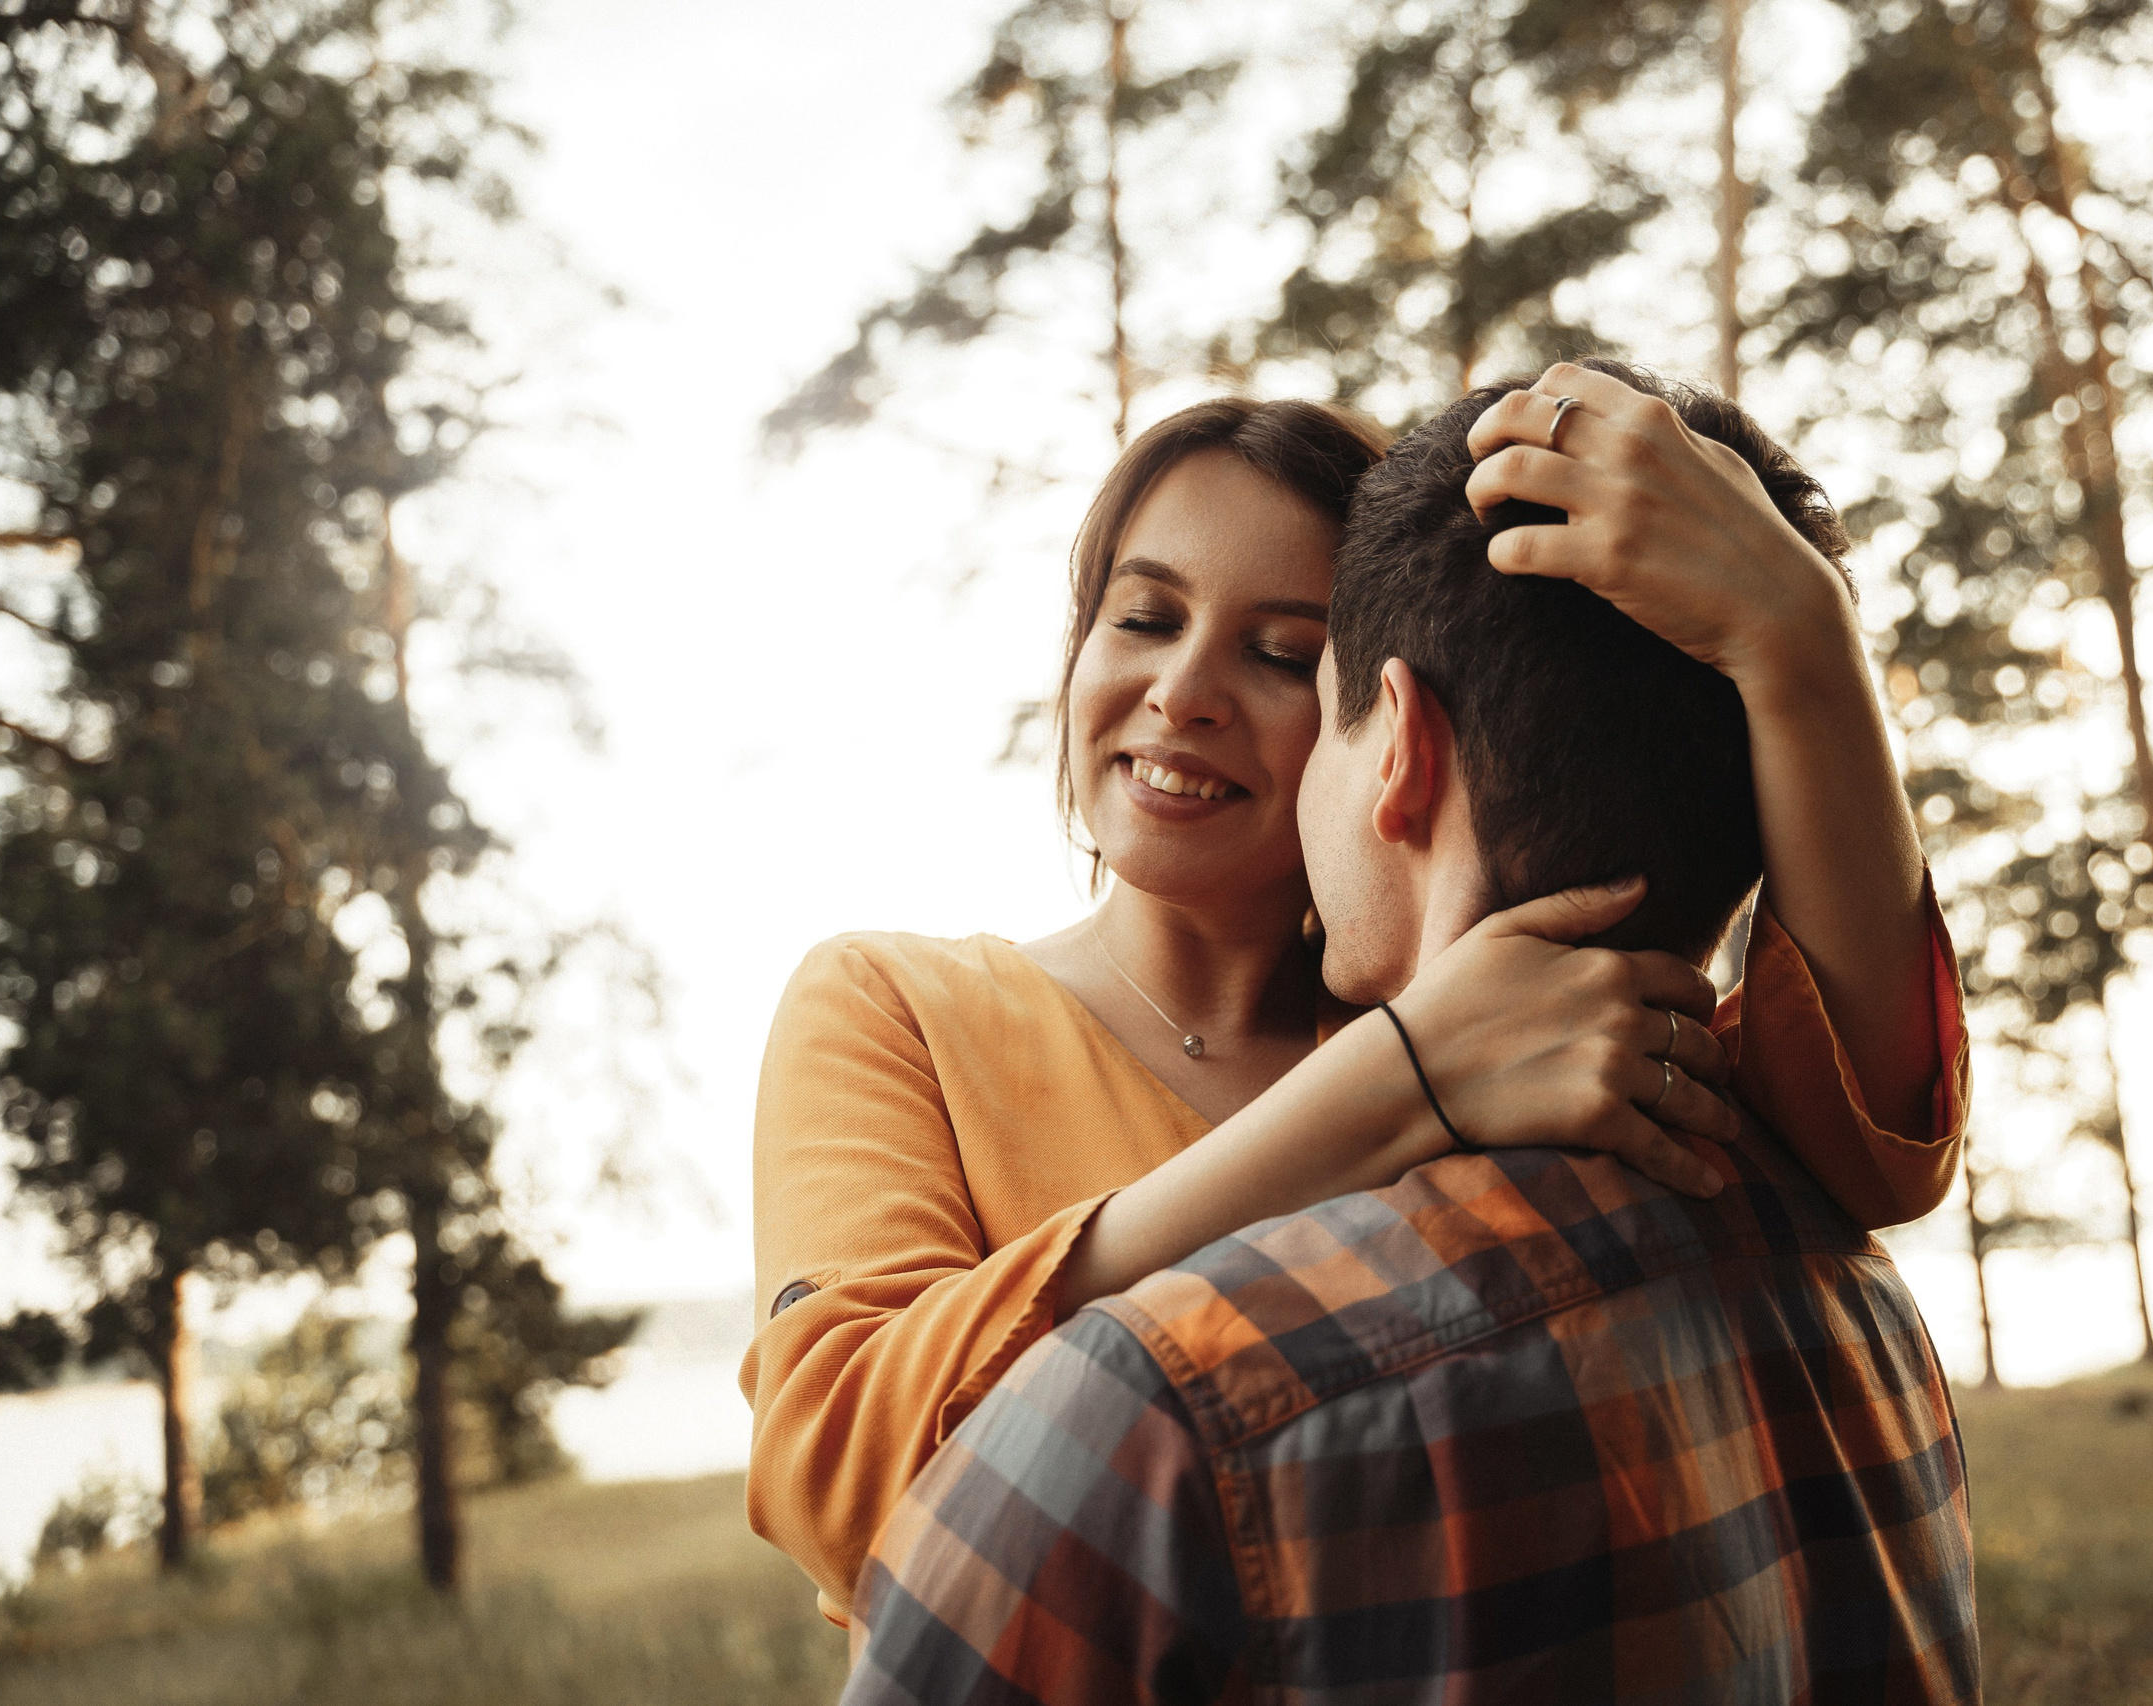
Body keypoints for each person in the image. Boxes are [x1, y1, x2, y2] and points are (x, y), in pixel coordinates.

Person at [742, 367, 1970, 1626]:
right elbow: (843, 1476)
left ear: (1385, 723)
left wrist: (1801, 634)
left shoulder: (1530, 1012)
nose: (1183, 693)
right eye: (1144, 619)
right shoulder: (894, 1004)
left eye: (1282, 654)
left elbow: (1870, 1130)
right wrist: (1401, 1075)